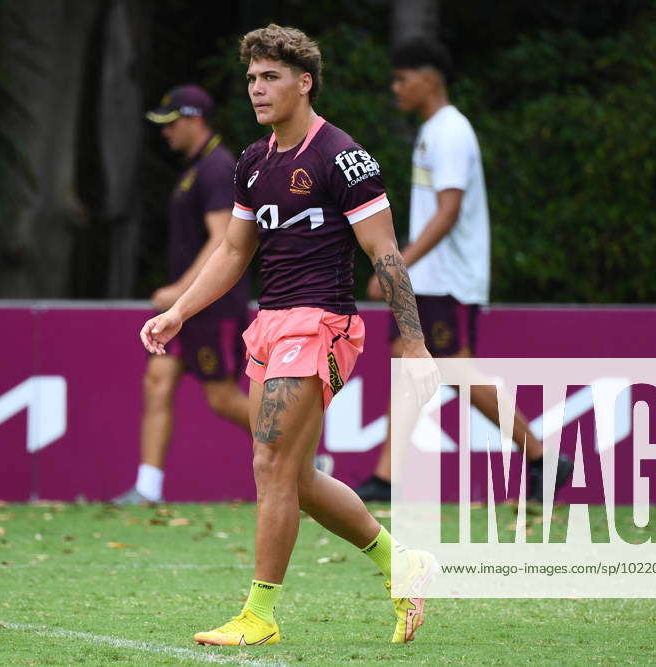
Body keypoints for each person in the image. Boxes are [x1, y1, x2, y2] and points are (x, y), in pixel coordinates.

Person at [141, 23, 437, 647]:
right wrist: (181, 311)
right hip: (269, 325)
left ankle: (260, 615)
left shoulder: (343, 157)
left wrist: (410, 341)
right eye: (251, 78)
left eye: (271, 76)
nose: (257, 88)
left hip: (323, 324)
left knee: (268, 462)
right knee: (295, 478)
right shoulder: (252, 162)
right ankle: (402, 563)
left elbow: (384, 251)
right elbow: (232, 251)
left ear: (304, 82)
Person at [354, 39, 573, 503]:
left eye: (402, 78)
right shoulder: (434, 130)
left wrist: (397, 266)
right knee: (406, 361)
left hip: (448, 279)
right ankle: (387, 477)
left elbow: (448, 212)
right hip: (432, 279)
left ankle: (540, 457)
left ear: (429, 78)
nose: (396, 88)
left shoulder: (451, 132)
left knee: (453, 369)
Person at [114, 85, 251, 505]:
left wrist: (180, 292)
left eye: (171, 124)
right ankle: (148, 487)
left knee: (223, 399)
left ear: (194, 119)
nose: (165, 133)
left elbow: (222, 239)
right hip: (186, 311)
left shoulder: (216, 167)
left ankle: (306, 459)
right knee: (157, 382)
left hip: (211, 306)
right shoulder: (196, 167)